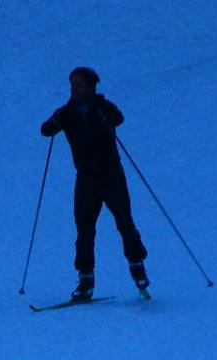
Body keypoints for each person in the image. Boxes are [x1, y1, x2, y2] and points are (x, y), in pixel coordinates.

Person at [40, 68, 149, 300]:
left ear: (91, 87)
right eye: (72, 84)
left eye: (78, 85)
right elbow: (46, 130)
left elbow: (118, 117)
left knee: (124, 222)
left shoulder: (103, 107)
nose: (74, 89)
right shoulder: (66, 112)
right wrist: (52, 124)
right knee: (85, 230)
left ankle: (137, 266)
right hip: (86, 178)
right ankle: (85, 280)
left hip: (111, 176)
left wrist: (107, 119)